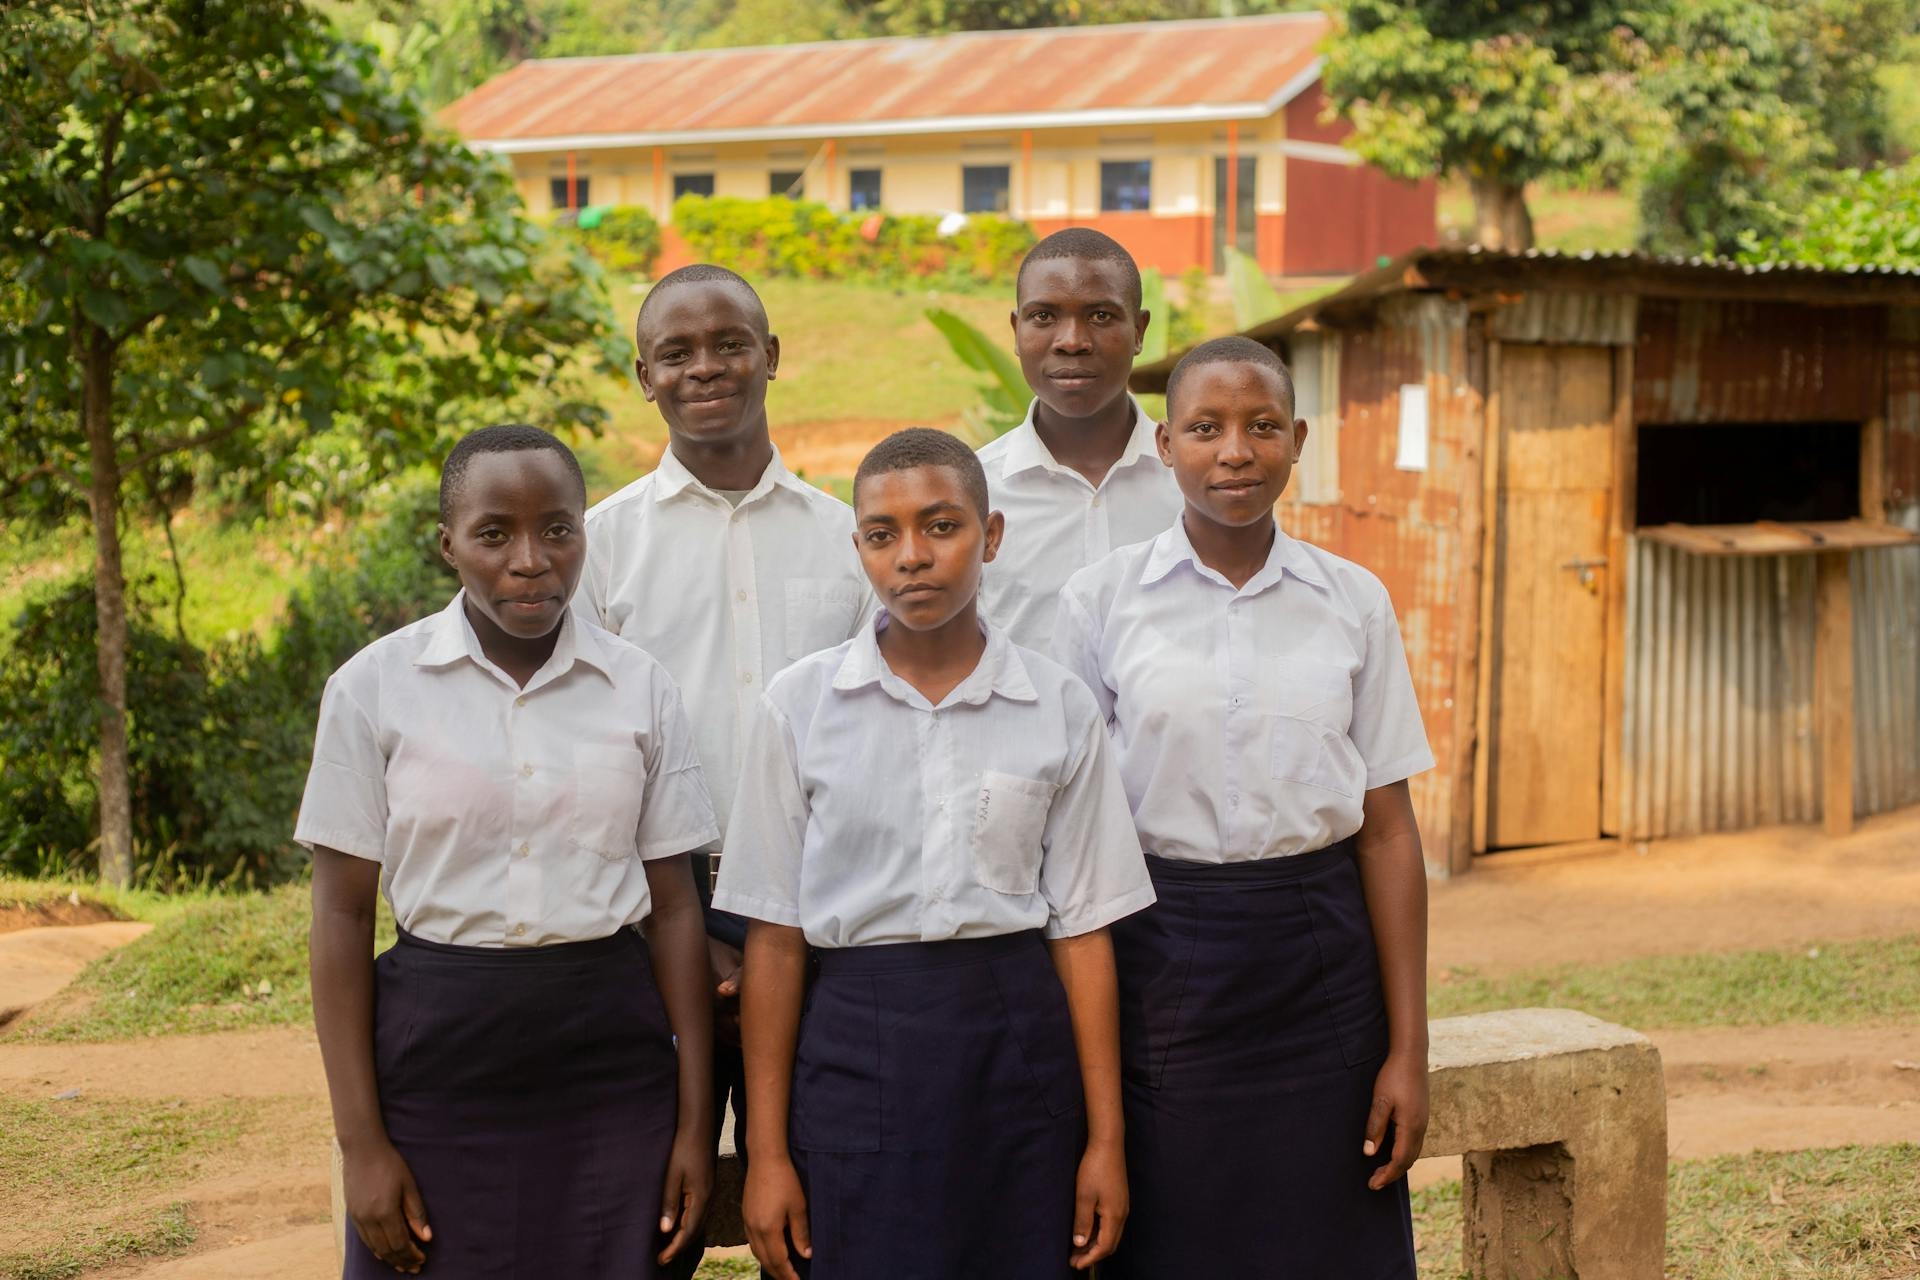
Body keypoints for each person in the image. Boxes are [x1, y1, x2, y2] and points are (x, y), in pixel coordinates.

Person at [717, 428, 1154, 1280]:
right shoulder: (800, 708)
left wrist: (1104, 1142)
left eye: (942, 526)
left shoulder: (1054, 706)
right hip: (854, 1044)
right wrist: (765, 1156)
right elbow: (773, 939)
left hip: (1016, 1043)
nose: (912, 556)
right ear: (859, 551)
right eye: (883, 535)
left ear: (990, 537)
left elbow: (1083, 932)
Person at [1054, 337, 1433, 1278]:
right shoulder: (1099, 604)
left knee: (1332, 1239)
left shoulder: (1352, 601)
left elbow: (1386, 833)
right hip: (1160, 955)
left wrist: (1409, 1049)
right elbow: (1073, 842)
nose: (1235, 451)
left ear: (1297, 439)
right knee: (1176, 1242)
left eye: (1263, 426)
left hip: (1322, 962)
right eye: (1206, 428)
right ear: (1162, 443)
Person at [303, 424, 717, 1278]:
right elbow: (340, 917)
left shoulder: (641, 688)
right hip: (435, 1063)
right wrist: (362, 1146)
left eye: (557, 528)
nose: (531, 558)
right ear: (448, 543)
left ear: (583, 535)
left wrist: (691, 1127)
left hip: (610, 1061)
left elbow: (674, 908)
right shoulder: (373, 688)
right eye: (495, 533)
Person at [576, 264, 873, 1278]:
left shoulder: (851, 539)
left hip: (828, 907)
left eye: (730, 342)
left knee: (828, 1201)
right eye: (678, 351)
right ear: (644, 374)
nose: (706, 365)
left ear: (771, 354)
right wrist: (673, 924)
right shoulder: (600, 549)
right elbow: (582, 751)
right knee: (654, 1203)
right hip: (659, 906)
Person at [977, 228, 1183, 655]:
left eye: (1101, 316)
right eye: (1044, 317)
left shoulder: (1194, 483)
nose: (1072, 341)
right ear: (1017, 331)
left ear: (1140, 330)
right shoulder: (973, 493)